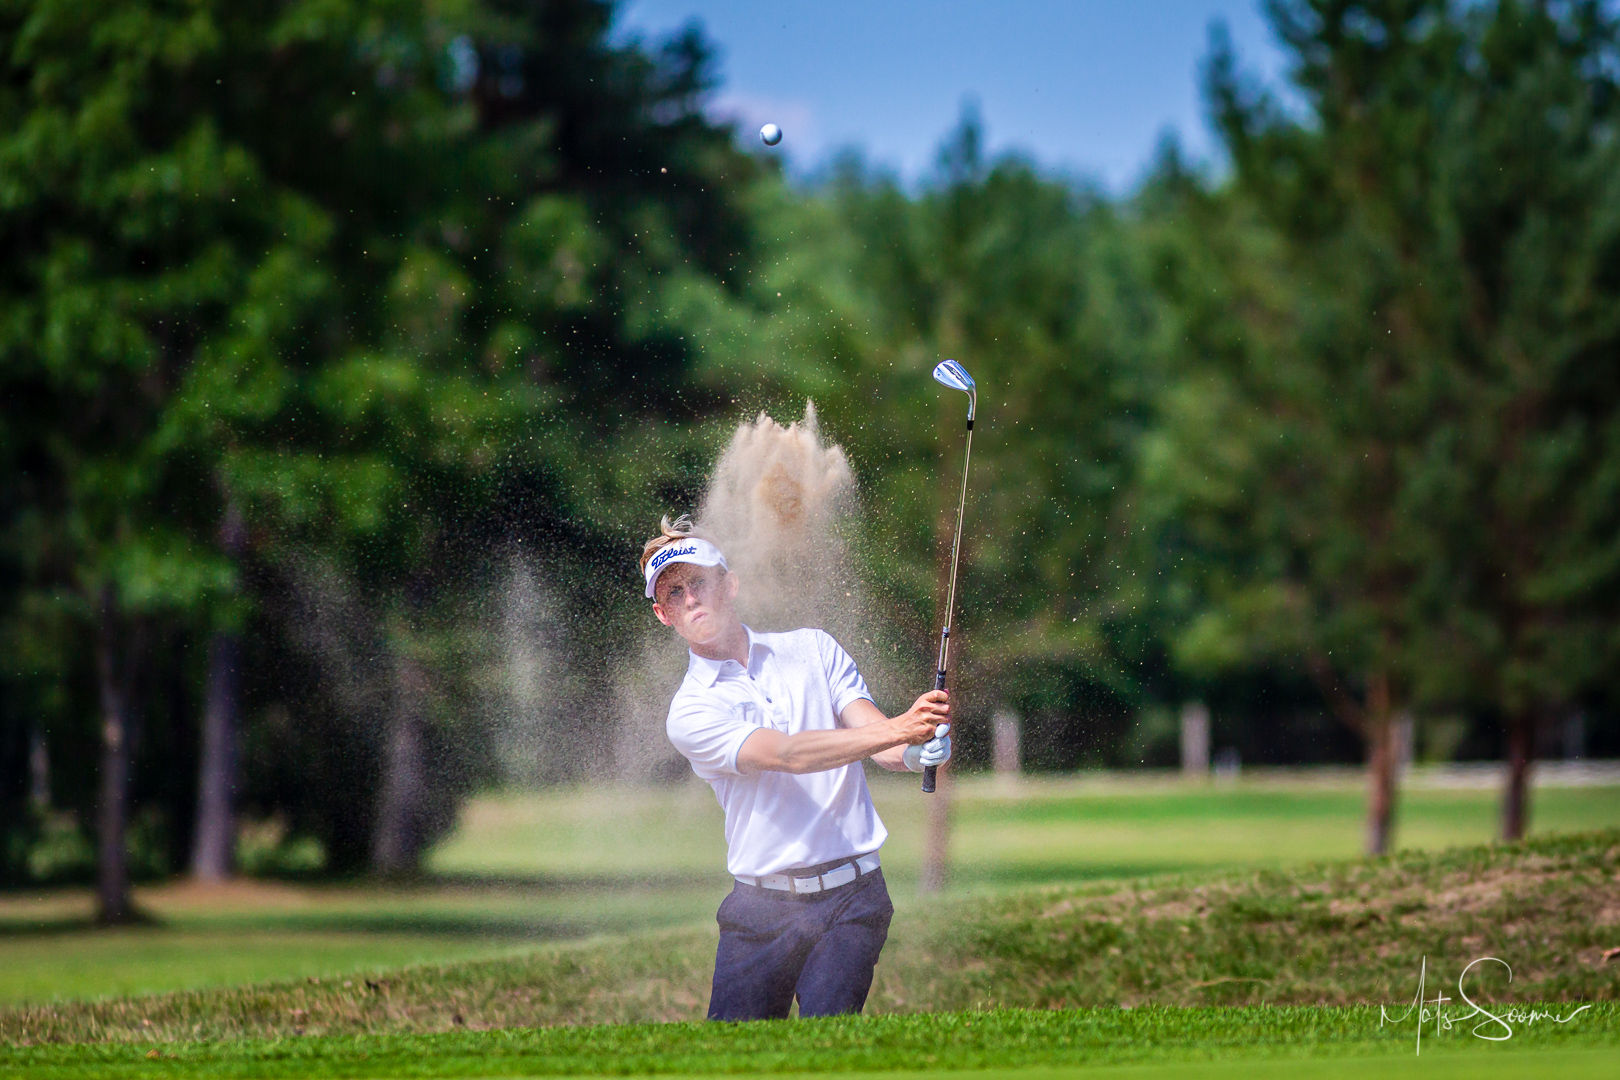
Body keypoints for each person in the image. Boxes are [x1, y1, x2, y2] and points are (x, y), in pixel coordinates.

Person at [641, 515, 952, 1021]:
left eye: (698, 581)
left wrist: (916, 751)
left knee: (828, 1042)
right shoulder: (690, 710)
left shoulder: (813, 648)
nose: (691, 598)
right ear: (663, 614)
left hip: (853, 898)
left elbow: (877, 741)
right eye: (673, 593)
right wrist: (902, 729)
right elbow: (788, 755)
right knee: (730, 1056)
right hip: (759, 912)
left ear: (729, 584)